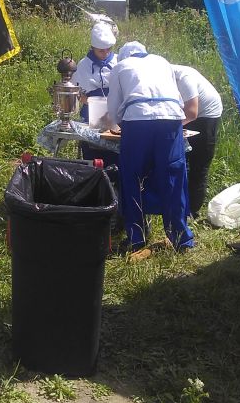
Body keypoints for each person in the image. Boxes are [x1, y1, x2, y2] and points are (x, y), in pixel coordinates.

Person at [106, 41, 194, 252]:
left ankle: (137, 238)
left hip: (137, 122)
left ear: (124, 57)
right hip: (171, 120)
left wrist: (121, 125)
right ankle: (181, 238)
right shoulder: (162, 62)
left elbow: (113, 109)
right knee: (172, 177)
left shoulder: (120, 67)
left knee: (133, 177)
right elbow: (177, 97)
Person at [172, 64, 223, 218]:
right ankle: (178, 206)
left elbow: (191, 113)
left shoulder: (183, 77)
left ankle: (192, 211)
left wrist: (168, 128)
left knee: (199, 164)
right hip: (186, 112)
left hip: (206, 115)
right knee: (181, 161)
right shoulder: (161, 78)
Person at [72, 20, 118, 162]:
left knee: (115, 154)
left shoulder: (118, 61)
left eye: (108, 50)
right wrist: (92, 102)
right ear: (93, 48)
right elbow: (76, 91)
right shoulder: (84, 65)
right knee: (93, 154)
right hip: (91, 113)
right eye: (100, 51)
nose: (105, 53)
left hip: (115, 114)